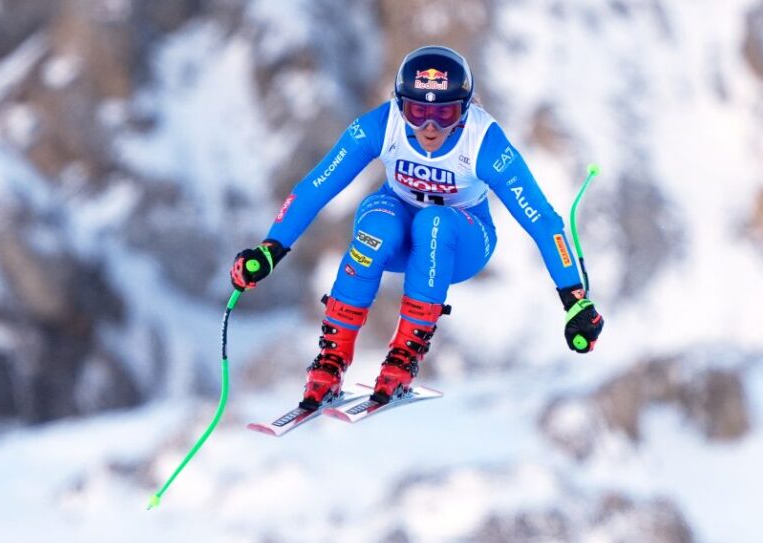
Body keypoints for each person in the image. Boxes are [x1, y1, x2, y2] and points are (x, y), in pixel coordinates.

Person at [230, 46, 604, 409]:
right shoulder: (382, 124)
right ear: (399, 104)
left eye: (444, 115)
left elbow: (542, 220)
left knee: (434, 220)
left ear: (466, 109)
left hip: (463, 244)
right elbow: (316, 187)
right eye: (416, 111)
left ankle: (404, 355)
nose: (428, 127)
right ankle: (331, 360)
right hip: (399, 237)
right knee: (375, 221)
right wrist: (270, 249)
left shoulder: (483, 142)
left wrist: (574, 300)